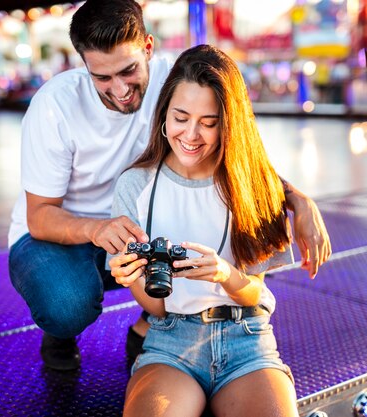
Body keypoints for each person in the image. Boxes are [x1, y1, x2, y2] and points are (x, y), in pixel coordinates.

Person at [7, 0, 331, 372]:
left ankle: (148, 323)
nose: (120, 89)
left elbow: (236, 152)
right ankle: (62, 331)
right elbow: (40, 217)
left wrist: (297, 199)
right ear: (84, 65)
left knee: (208, 231)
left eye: (128, 70)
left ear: (148, 46)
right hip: (60, 234)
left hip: (138, 225)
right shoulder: (53, 106)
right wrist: (98, 230)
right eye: (102, 77)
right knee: (66, 305)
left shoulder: (175, 81)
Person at [109, 44, 299, 417]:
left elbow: (254, 294)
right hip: (171, 341)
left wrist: (225, 274)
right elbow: (158, 308)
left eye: (208, 122)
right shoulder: (135, 186)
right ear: (164, 114)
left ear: (229, 124)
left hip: (248, 339)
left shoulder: (254, 185)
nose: (191, 135)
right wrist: (130, 278)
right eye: (181, 117)